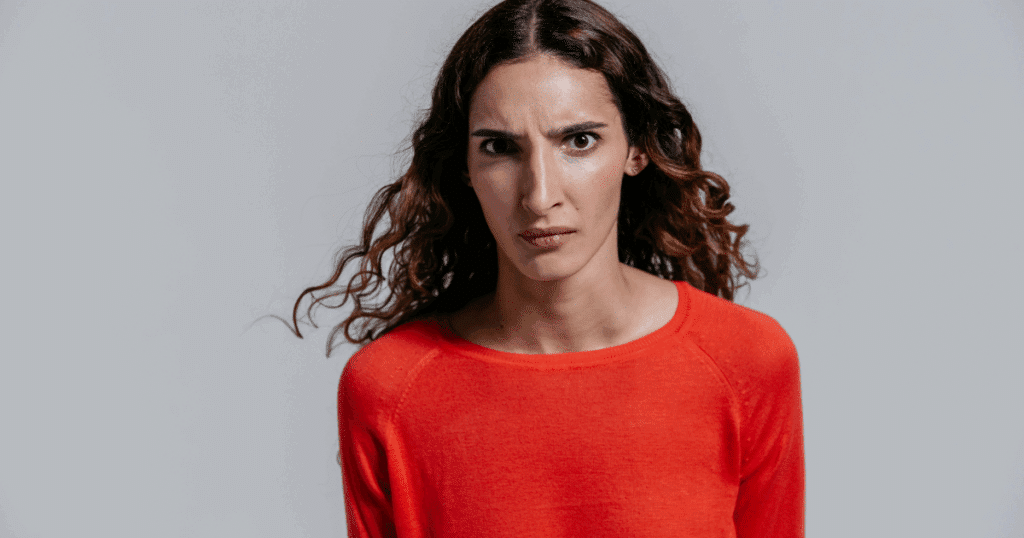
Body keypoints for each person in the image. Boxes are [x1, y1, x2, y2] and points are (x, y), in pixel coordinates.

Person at [293, 0, 804, 536]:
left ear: (636, 149)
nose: (539, 196)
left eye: (579, 141)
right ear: (465, 167)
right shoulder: (389, 389)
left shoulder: (747, 361)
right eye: (499, 148)